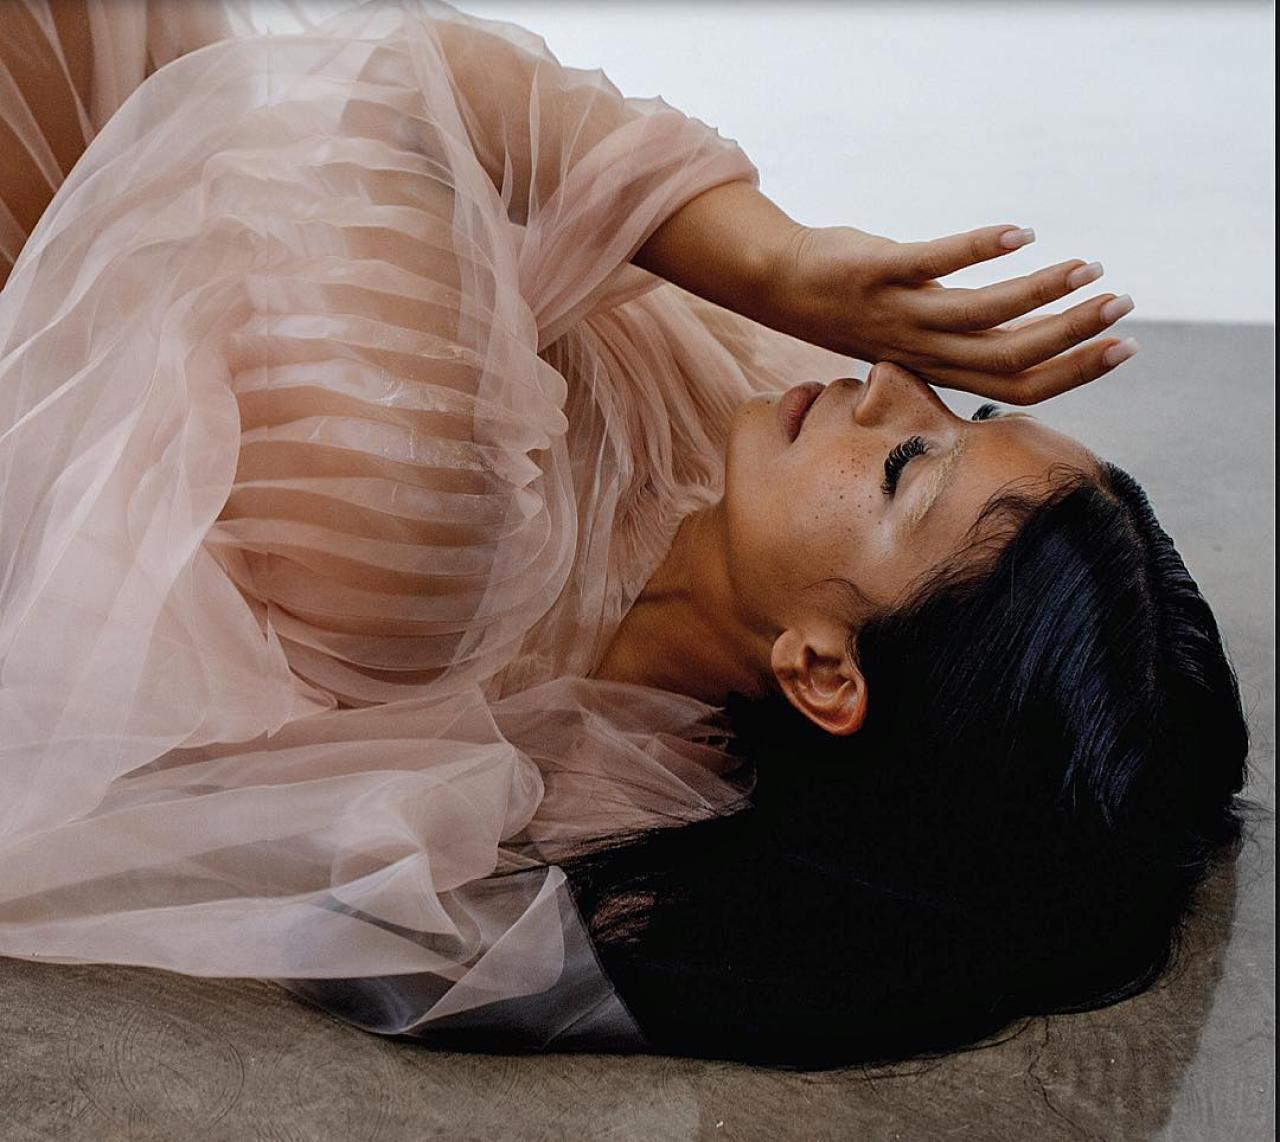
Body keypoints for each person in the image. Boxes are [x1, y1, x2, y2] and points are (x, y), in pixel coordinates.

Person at [0, 0, 1252, 1069]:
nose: (887, 379)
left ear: (821, 669)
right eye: (958, 410)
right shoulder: (748, 477)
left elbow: (391, 85)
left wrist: (770, 261)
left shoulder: (427, 523)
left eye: (904, 466)